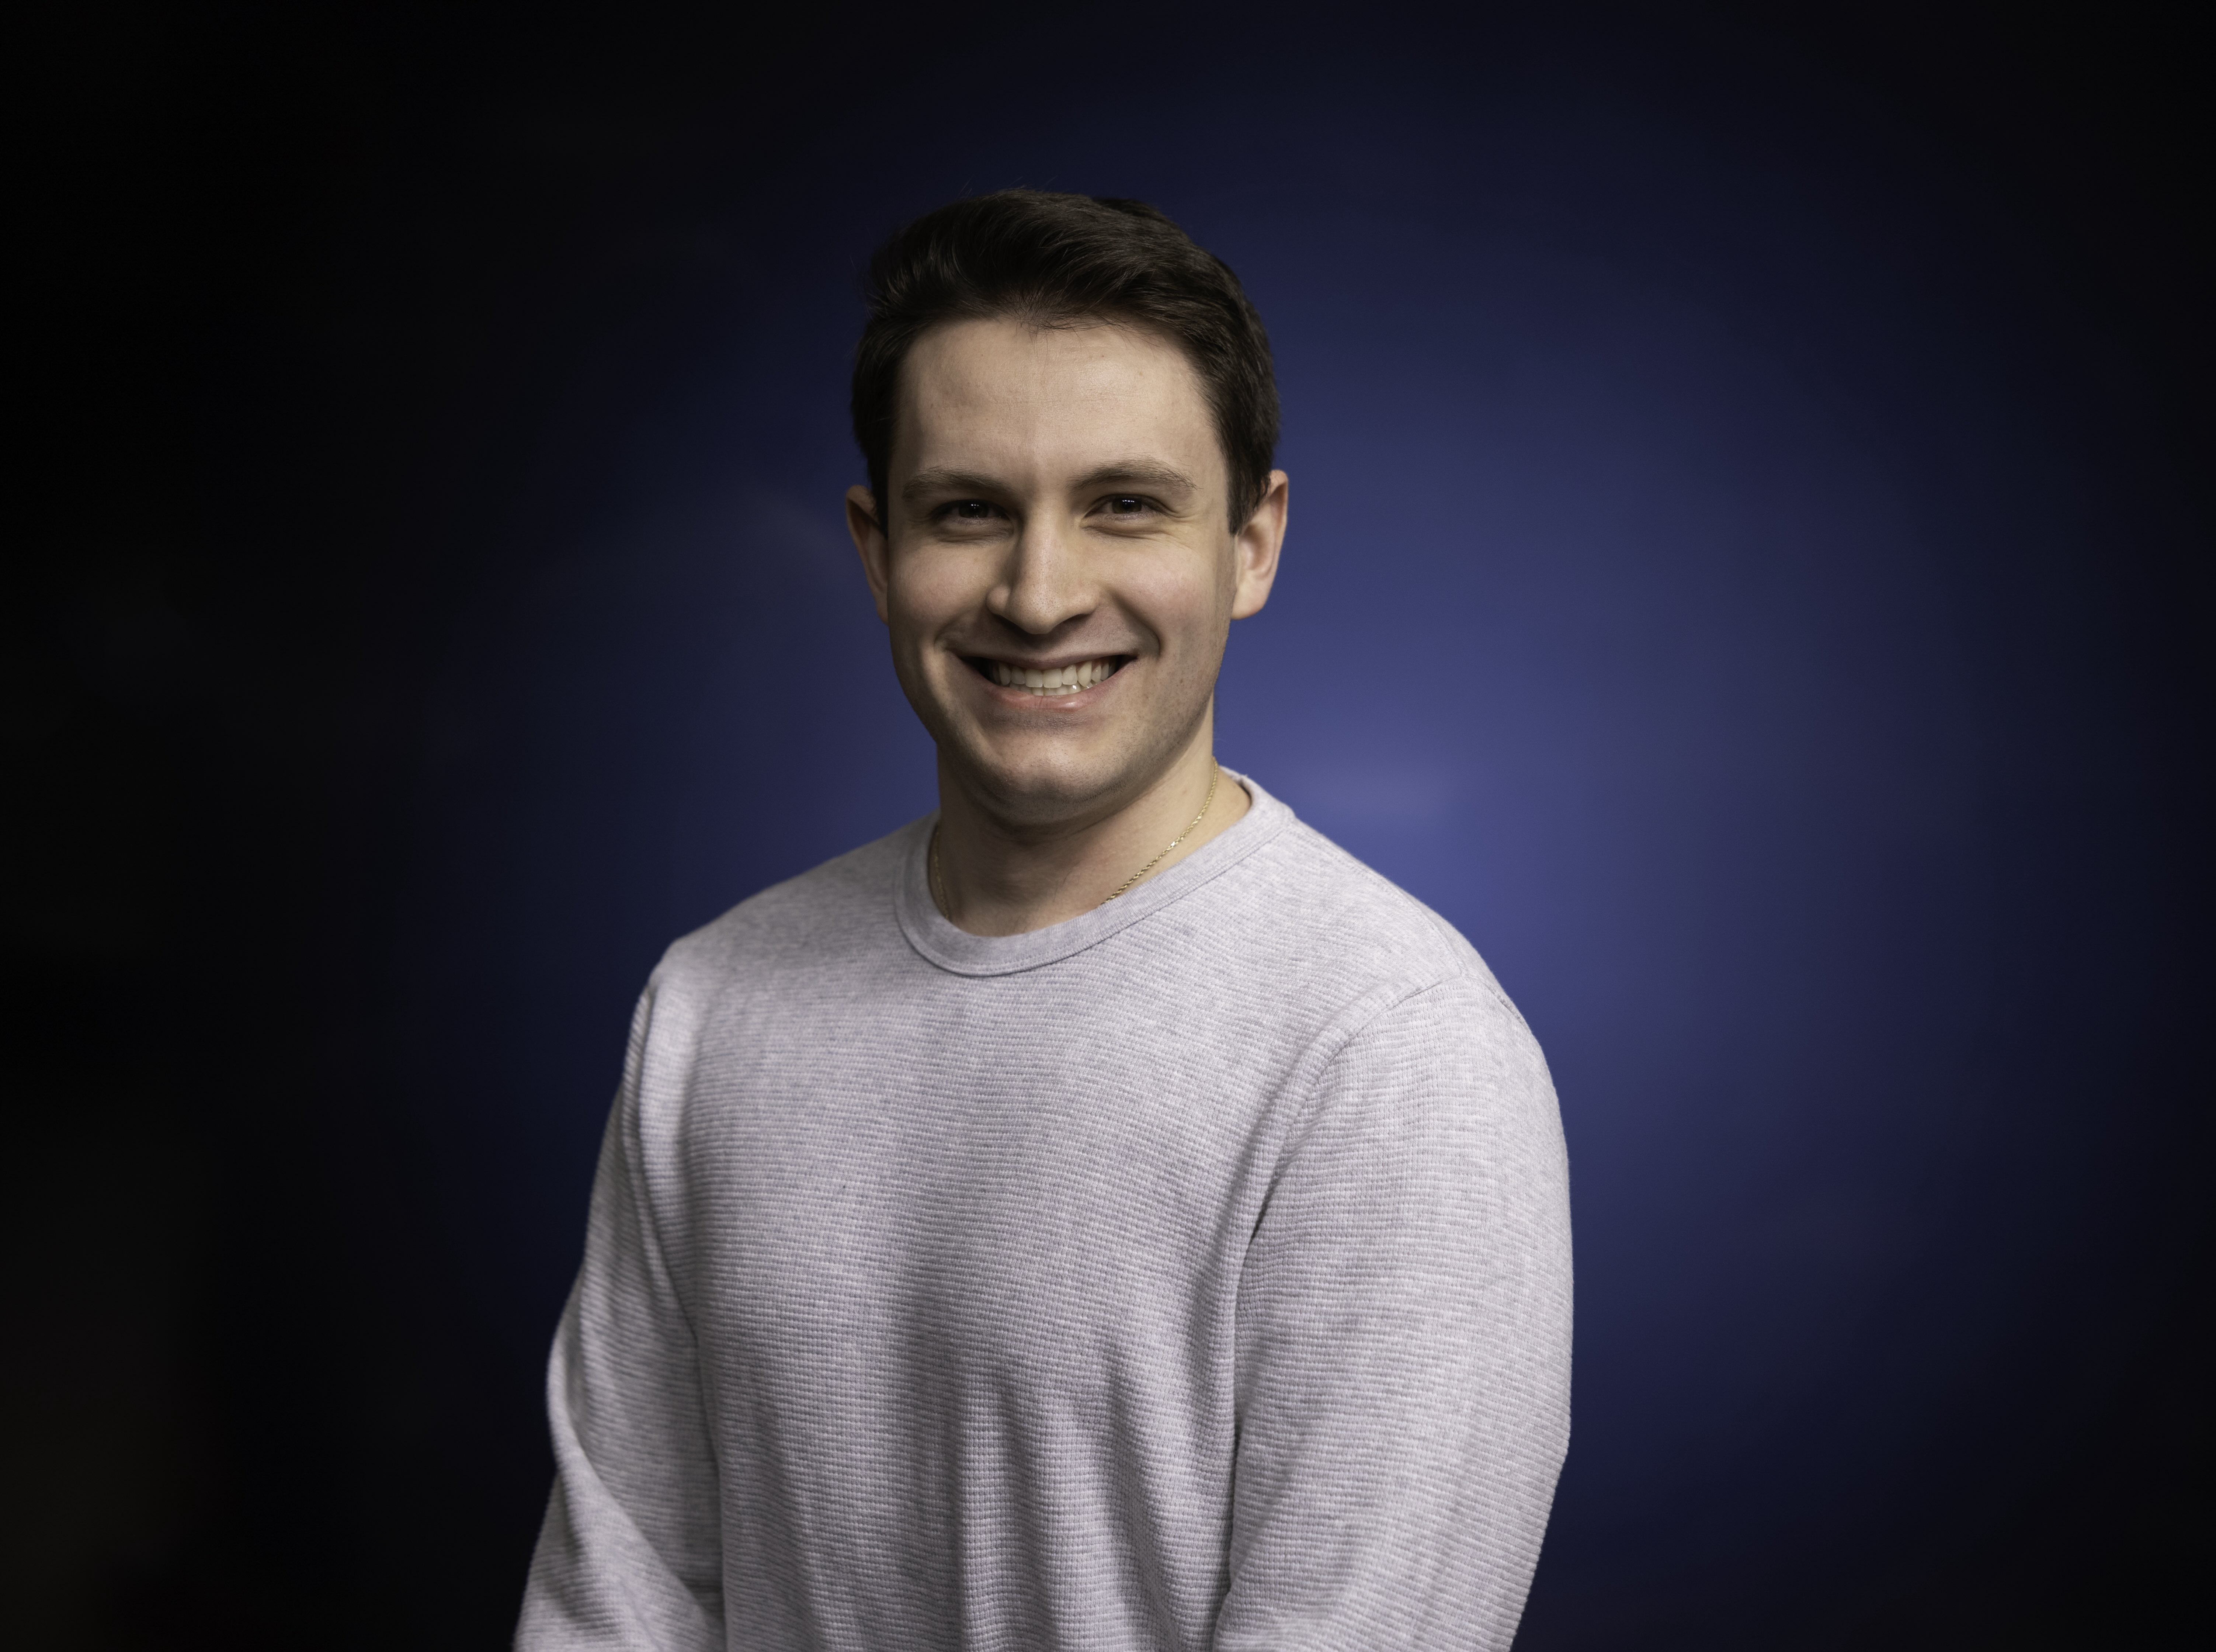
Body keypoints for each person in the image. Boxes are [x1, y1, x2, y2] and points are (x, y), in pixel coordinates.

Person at [516, 189, 1573, 1651]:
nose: (1039, 594)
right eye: (970, 511)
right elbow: (616, 1604)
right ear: (876, 548)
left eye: (1124, 504)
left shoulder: (1394, 1054)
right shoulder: (716, 1001)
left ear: (1252, 544)